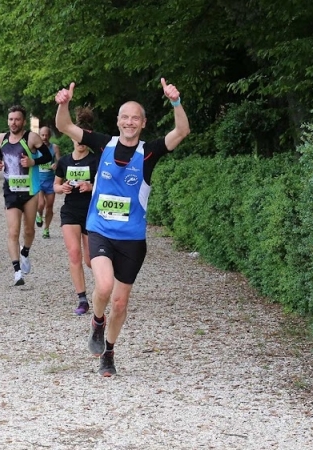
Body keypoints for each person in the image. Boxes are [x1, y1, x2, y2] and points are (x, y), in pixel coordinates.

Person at [54, 78, 190, 376]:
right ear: (118, 121)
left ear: (143, 123)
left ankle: (110, 352)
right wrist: (63, 103)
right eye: (125, 117)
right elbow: (64, 126)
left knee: (120, 302)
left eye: (135, 118)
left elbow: (182, 131)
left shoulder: (150, 152)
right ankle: (97, 322)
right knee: (103, 286)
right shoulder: (103, 143)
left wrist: (176, 101)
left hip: (132, 240)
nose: (129, 122)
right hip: (100, 229)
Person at [0, 105, 53, 286]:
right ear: (8, 120)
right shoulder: (2, 138)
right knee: (13, 231)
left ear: (23, 121)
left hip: (30, 191)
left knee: (29, 230)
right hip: (10, 190)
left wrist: (33, 161)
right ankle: (17, 271)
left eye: (17, 119)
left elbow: (47, 157)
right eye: (11, 119)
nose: (13, 123)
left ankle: (25, 251)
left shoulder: (31, 138)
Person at [53, 107, 100, 316]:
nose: (79, 142)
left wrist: (90, 186)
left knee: (91, 260)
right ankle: (82, 299)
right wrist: (60, 188)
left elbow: (106, 186)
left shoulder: (96, 160)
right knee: (74, 254)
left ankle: (105, 286)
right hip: (70, 211)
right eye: (76, 138)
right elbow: (55, 185)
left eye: (83, 139)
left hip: (91, 211)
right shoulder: (64, 161)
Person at [36, 126, 61, 239]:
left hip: (50, 181)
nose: (45, 137)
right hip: (39, 180)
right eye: (42, 135)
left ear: (49, 136)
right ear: (39, 135)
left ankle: (46, 229)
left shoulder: (54, 147)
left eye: (47, 135)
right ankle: (39, 214)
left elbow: (60, 163)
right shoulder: (35, 148)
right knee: (41, 204)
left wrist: (56, 166)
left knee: (49, 206)